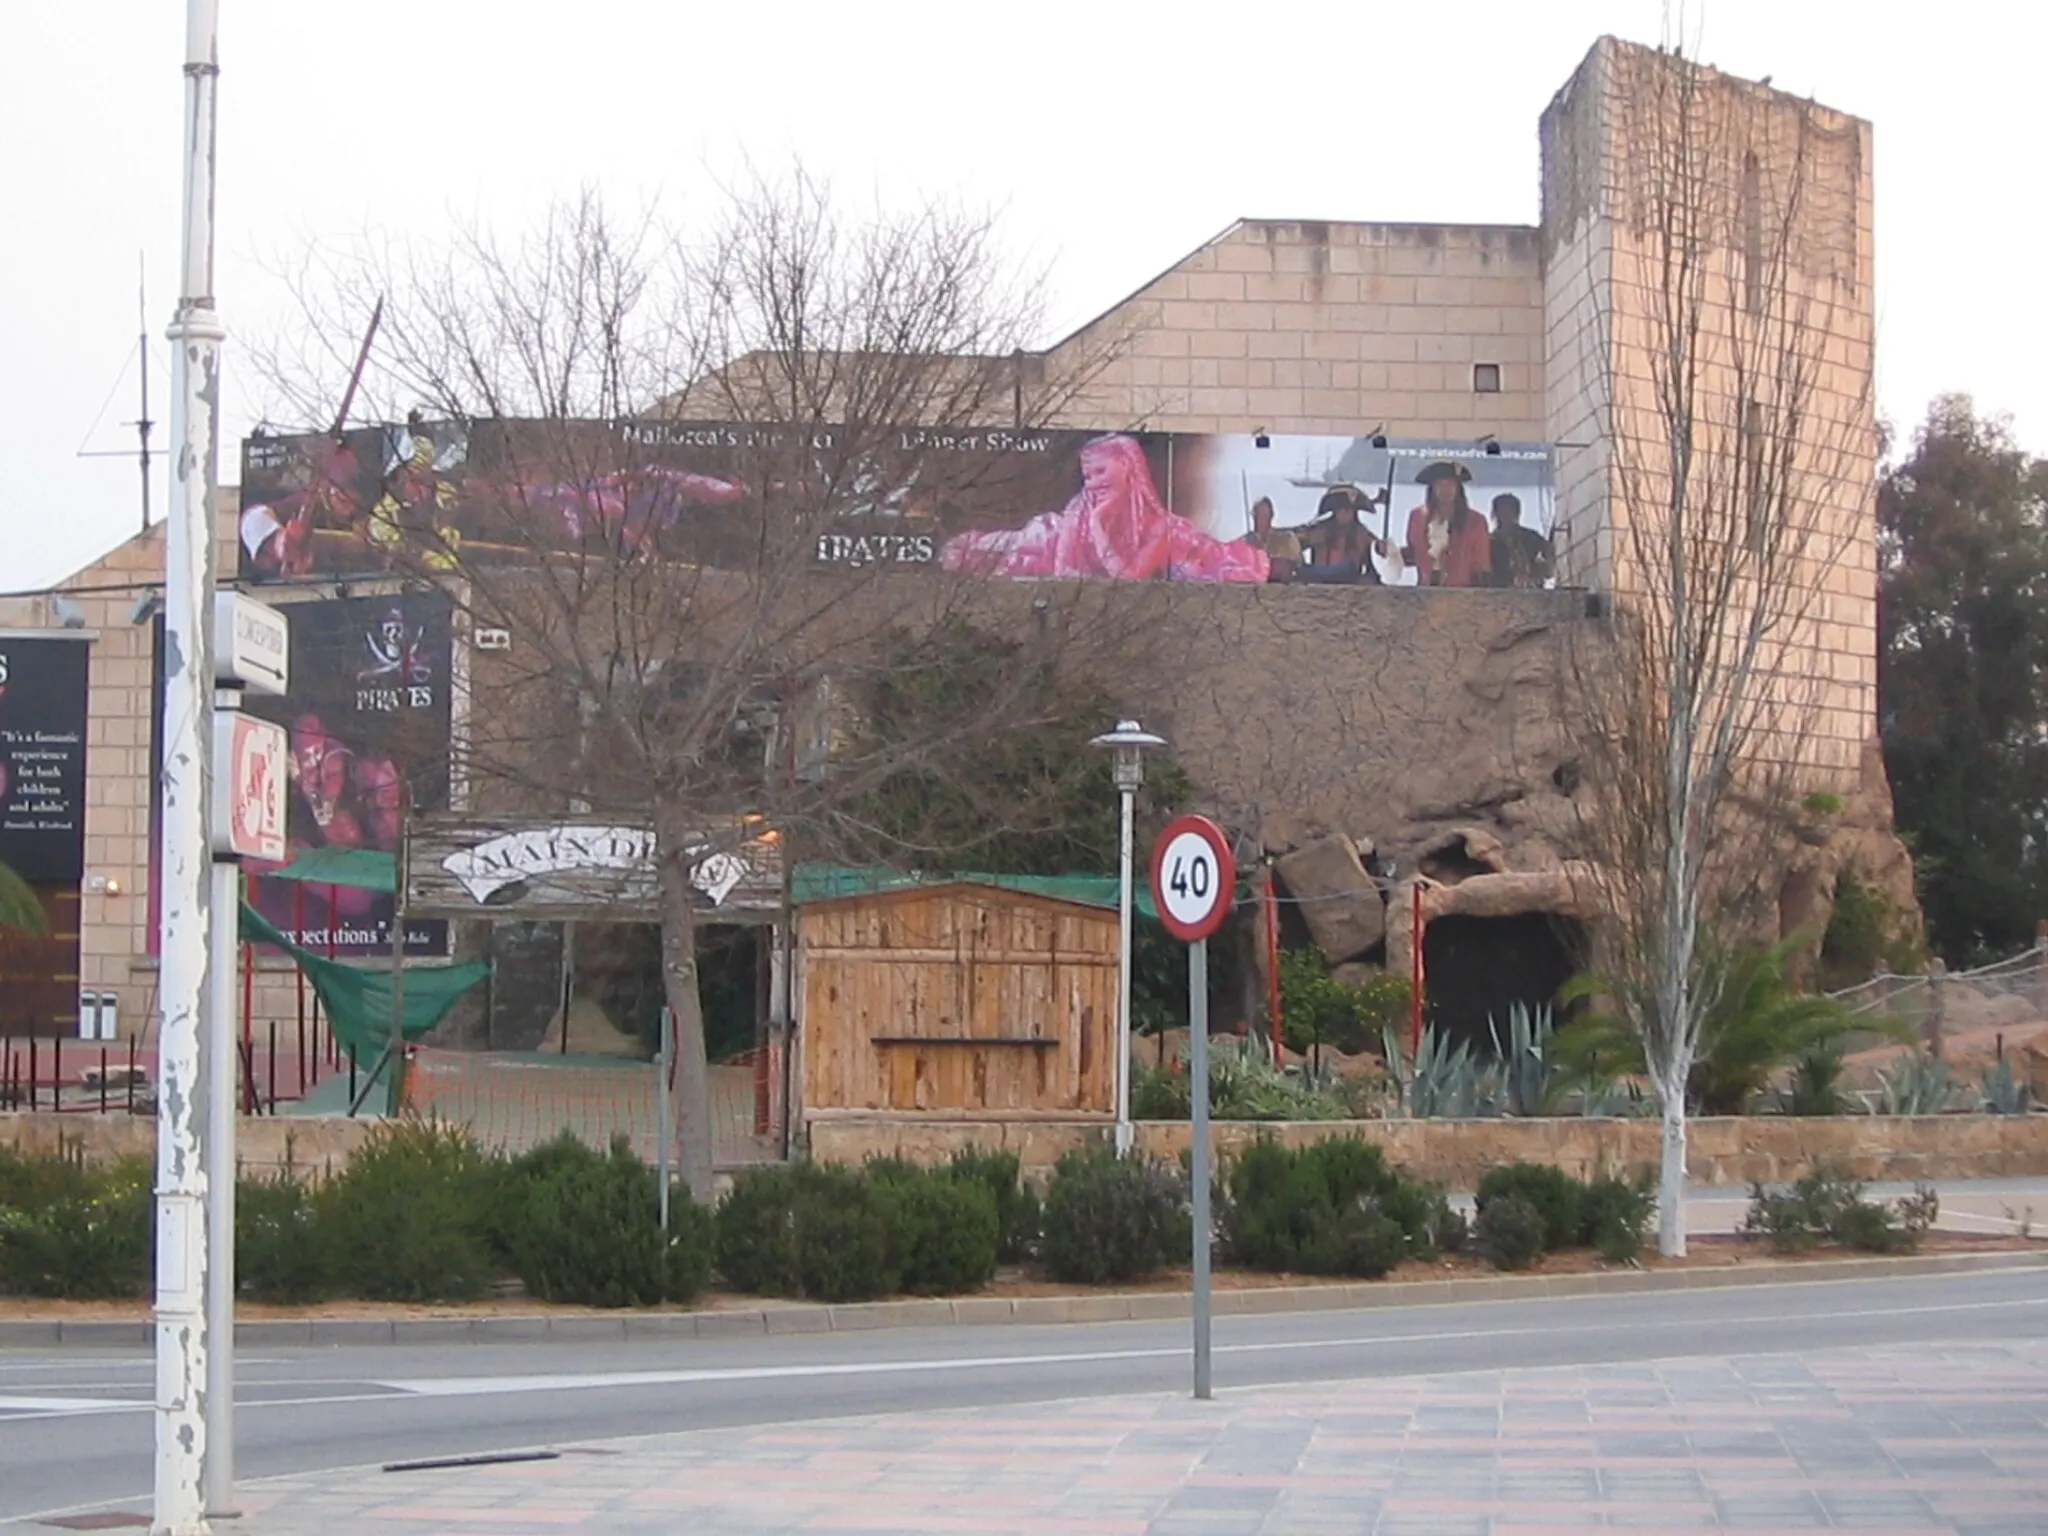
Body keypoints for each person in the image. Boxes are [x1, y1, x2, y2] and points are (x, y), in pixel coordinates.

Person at [939, 434, 1268, 582]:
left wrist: (1097, 526)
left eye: (1100, 472)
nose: (1093, 482)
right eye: (1087, 476)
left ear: (1128, 469)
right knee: (1012, 545)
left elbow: (1126, 577)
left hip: (1171, 564)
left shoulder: (1160, 529)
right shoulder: (1072, 516)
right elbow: (1064, 570)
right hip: (1048, 540)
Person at [1402, 461, 1492, 588]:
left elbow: (1481, 564)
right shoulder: (1417, 517)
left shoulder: (1475, 521)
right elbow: (1414, 553)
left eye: (1450, 484)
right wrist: (1388, 552)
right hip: (1425, 590)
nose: (1446, 490)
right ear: (1432, 488)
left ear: (1458, 488)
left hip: (1462, 592)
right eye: (1440, 484)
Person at [1300, 487, 1396, 584]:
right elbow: (1295, 542)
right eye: (1341, 509)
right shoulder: (1318, 530)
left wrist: (1382, 549)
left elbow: (1374, 565)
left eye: (1349, 510)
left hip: (1349, 582)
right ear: (1335, 511)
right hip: (1318, 582)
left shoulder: (1362, 534)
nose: (1345, 513)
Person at [1488, 493, 1553, 589]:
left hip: (1531, 591)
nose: (1505, 515)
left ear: (1516, 513)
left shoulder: (1530, 537)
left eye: (1509, 510)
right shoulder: (1490, 542)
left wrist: (1536, 575)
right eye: (1501, 511)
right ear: (1495, 514)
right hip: (1500, 592)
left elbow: (1551, 556)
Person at [1241, 496, 1301, 581]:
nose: (1261, 519)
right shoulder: (1245, 542)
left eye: (1265, 515)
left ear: (1271, 516)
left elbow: (1296, 564)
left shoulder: (1285, 539)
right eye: (1258, 515)